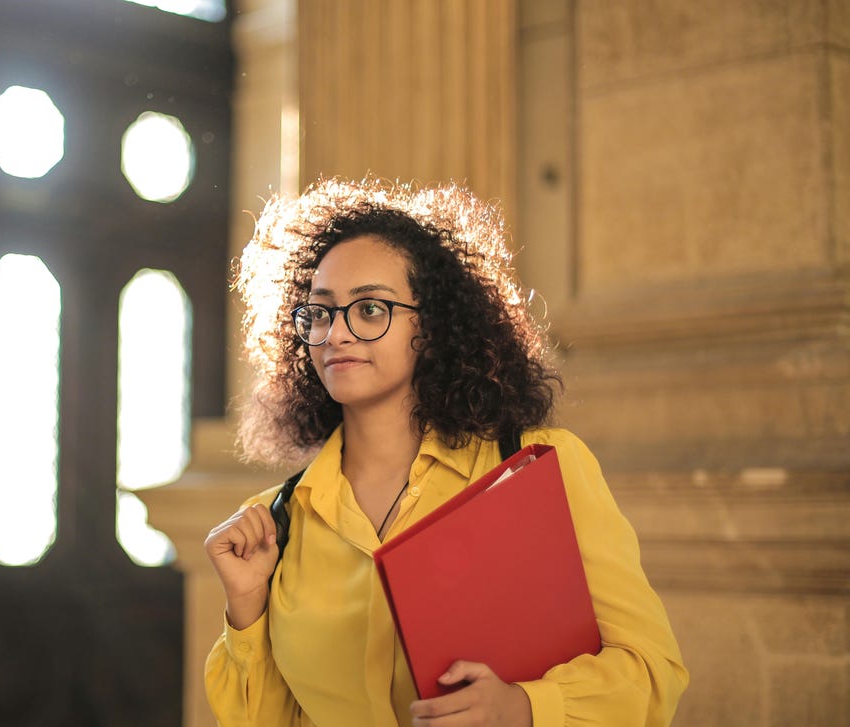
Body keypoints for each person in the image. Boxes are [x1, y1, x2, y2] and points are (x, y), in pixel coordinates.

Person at [204, 177, 688, 726]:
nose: (336, 334)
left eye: (369, 309)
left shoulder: (536, 467)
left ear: (431, 327)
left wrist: (524, 709)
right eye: (319, 314)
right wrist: (246, 609)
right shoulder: (279, 522)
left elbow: (652, 673)